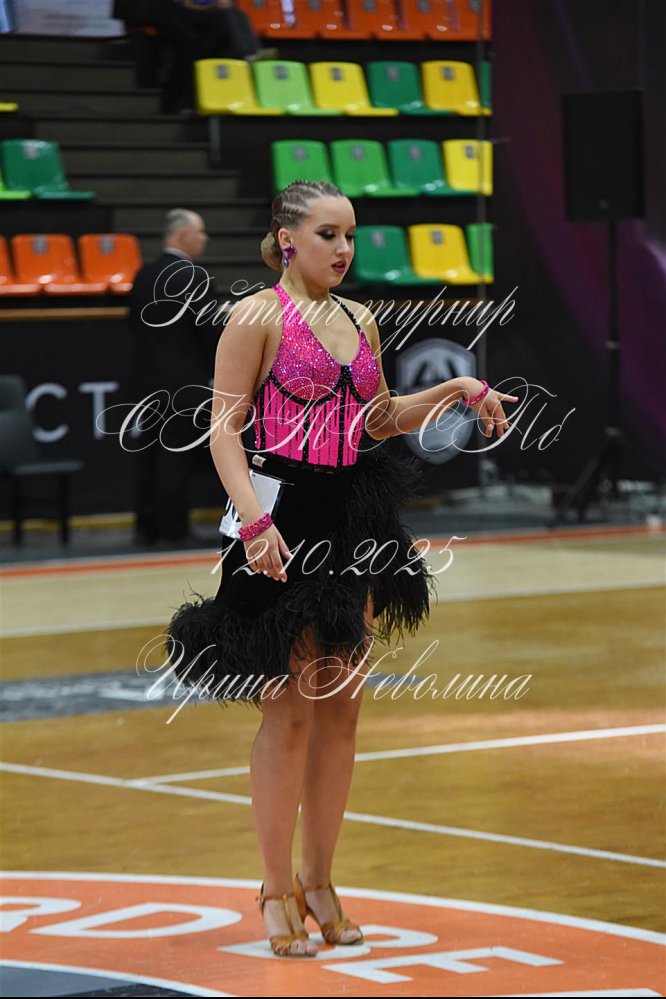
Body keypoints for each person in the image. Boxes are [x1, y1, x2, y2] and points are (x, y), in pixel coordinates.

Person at [165, 181, 518, 956]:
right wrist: (253, 521)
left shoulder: (360, 318)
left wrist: (456, 389)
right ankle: (274, 888)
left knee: (342, 708)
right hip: (276, 515)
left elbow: (379, 418)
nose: (344, 249)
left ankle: (320, 880)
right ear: (287, 237)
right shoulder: (256, 316)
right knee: (288, 710)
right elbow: (223, 431)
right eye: (328, 234)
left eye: (350, 235)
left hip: (350, 519)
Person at [128, 208, 220, 545]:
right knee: (176, 456)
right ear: (183, 235)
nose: (204, 238)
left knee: (149, 453)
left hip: (146, 381)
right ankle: (174, 529)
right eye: (200, 232)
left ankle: (146, 526)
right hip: (184, 383)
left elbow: (134, 327)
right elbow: (209, 329)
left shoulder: (143, 274)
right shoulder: (193, 276)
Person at [113, 0, 274, 112]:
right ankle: (247, 56)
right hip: (153, 7)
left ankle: (250, 54)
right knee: (195, 42)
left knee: (233, 15)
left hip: (181, 10)